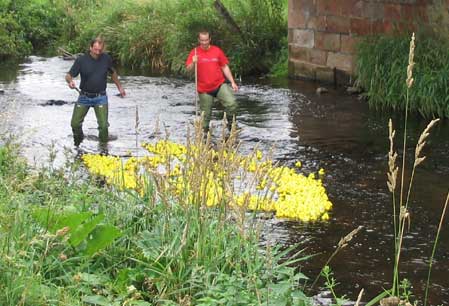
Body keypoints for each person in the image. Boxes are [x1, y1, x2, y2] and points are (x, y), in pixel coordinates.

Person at [65, 37, 126, 146]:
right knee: (75, 124)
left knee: (103, 126)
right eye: (95, 49)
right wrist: (70, 82)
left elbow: (113, 73)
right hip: (84, 97)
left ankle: (103, 150)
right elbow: (68, 75)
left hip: (100, 97)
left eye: (100, 50)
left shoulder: (106, 59)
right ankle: (78, 143)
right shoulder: (81, 60)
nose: (98, 52)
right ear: (91, 47)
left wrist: (120, 87)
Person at [186, 30, 238, 133]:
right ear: (199, 40)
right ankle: (204, 139)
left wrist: (232, 82)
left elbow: (224, 67)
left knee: (232, 104)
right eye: (202, 40)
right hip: (204, 89)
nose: (204, 42)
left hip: (219, 85)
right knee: (205, 120)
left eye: (206, 40)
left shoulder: (217, 51)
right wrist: (193, 62)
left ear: (209, 39)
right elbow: (188, 69)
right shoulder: (195, 52)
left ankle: (231, 126)